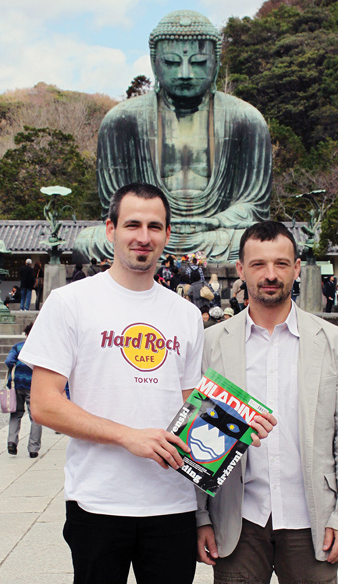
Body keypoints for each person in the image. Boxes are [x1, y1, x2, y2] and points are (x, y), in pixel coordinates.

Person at [20, 183, 206, 584]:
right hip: (98, 500)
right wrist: (127, 436)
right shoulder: (70, 302)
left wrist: (235, 429)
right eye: (132, 224)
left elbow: (189, 407)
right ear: (110, 229)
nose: (143, 236)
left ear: (167, 235)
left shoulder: (186, 314)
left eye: (154, 226)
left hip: (171, 504)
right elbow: (45, 404)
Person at [197, 220, 338, 584]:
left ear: (296, 268)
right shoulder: (213, 343)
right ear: (241, 270)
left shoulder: (331, 342)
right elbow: (196, 439)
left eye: (280, 263)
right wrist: (201, 518)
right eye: (258, 264)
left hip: (311, 519)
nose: (270, 274)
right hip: (238, 520)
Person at [73, 10, 272, 263]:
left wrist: (215, 221)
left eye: (199, 62)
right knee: (88, 242)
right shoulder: (122, 120)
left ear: (217, 62)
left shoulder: (246, 119)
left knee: (259, 242)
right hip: (149, 233)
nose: (185, 73)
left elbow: (253, 206)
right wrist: (154, 224)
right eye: (171, 62)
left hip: (215, 234)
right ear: (155, 63)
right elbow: (116, 207)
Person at [6, 323, 42, 458]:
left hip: (16, 384)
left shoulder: (18, 346)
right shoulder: (40, 349)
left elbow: (8, 361)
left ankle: (11, 442)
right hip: (33, 386)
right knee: (35, 417)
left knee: (15, 414)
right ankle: (33, 449)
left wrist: (17, 366)